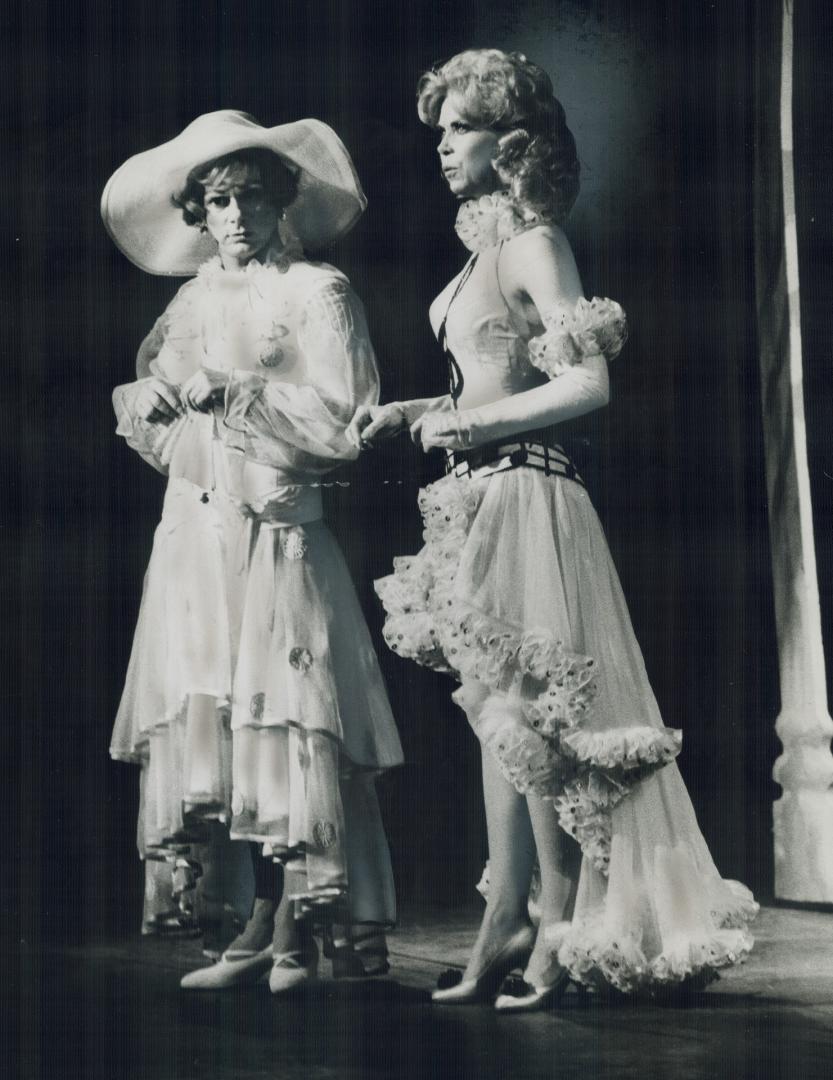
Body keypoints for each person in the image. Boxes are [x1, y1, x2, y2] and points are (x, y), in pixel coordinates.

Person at [348, 49, 757, 1011]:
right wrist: (414, 412)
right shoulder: (479, 254)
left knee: (537, 723)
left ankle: (555, 926)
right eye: (440, 131)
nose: (442, 147)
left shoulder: (535, 241)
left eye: (459, 130)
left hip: (530, 493)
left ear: (510, 142)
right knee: (503, 728)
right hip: (476, 497)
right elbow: (486, 380)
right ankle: (508, 919)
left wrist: (465, 424)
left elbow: (586, 382)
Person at [105, 110, 403, 991]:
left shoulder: (318, 292)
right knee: (221, 720)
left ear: (281, 201)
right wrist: (148, 399)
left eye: (250, 196)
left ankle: (304, 928)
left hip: (274, 533)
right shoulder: (193, 298)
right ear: (198, 212)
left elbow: (344, 423)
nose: (233, 216)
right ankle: (249, 923)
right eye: (217, 200)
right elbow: (153, 388)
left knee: (288, 718)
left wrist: (236, 390)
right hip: (197, 536)